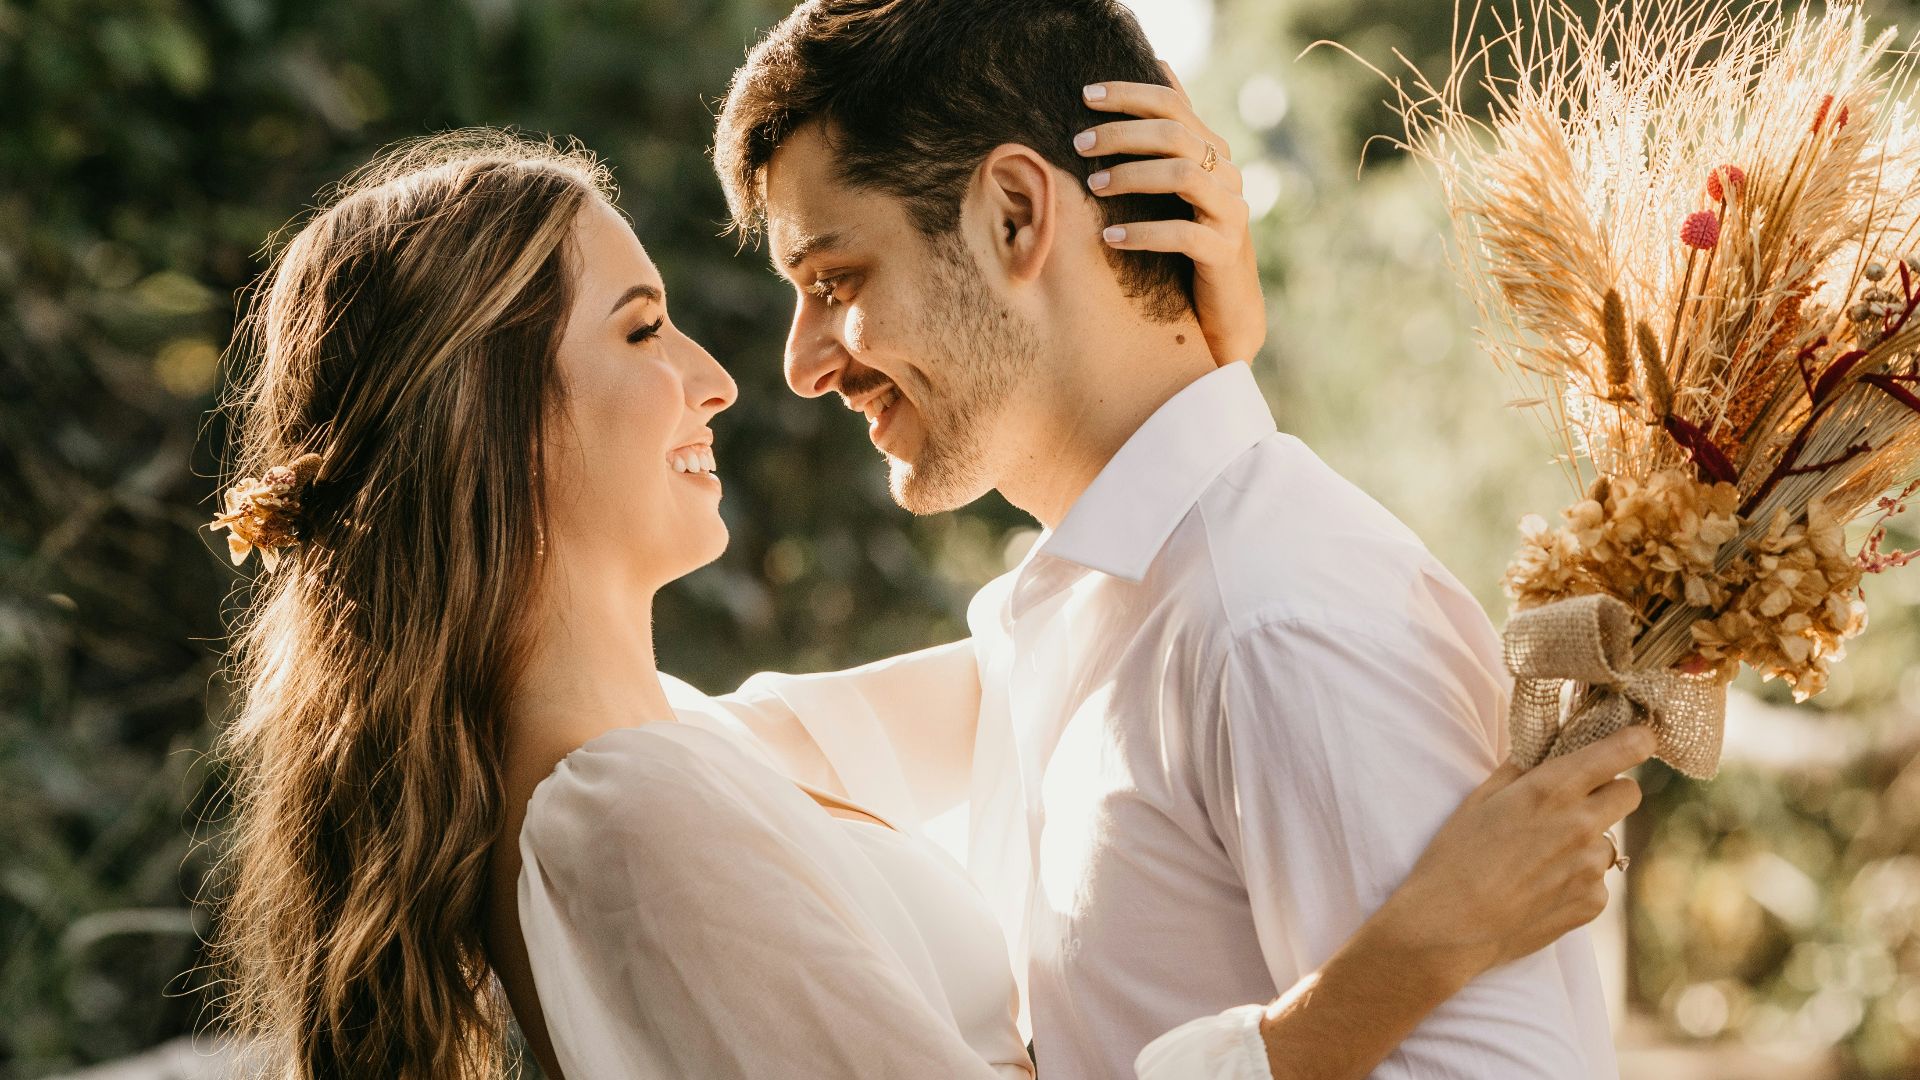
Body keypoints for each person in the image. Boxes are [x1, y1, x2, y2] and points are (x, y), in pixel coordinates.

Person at [202, 123, 1640, 1080]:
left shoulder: (690, 753)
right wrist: (1384, 980)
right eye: (643, 329)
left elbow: (1047, 650)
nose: (721, 376)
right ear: (495, 420)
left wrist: (1184, 369)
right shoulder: (627, 818)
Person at [697, 1, 1645, 1076]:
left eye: (835, 281)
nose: (802, 362)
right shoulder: (1062, 616)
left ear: (1014, 215)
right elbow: (710, 757)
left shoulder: (1279, 623)